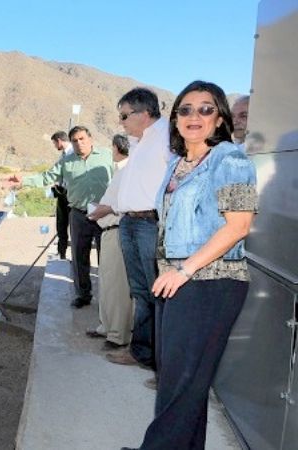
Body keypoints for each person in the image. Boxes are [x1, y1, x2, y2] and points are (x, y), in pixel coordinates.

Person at [122, 80, 257, 450]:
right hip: (177, 281)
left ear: (219, 119)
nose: (193, 116)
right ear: (175, 119)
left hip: (210, 281)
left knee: (181, 384)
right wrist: (174, 272)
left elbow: (239, 225)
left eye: (205, 108)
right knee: (180, 382)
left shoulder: (230, 158)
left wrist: (184, 270)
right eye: (185, 109)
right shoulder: (177, 164)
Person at [106, 87, 171, 371]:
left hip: (150, 223)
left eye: (124, 115)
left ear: (144, 113)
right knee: (140, 291)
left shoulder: (168, 136)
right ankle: (142, 352)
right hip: (130, 222)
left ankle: (162, 362)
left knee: (157, 293)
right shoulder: (138, 141)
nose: (121, 122)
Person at [11, 126, 113, 308]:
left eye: (82, 139)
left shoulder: (107, 155)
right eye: (75, 141)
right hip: (79, 215)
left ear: (90, 139)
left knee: (106, 259)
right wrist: (24, 181)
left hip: (105, 215)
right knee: (79, 257)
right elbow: (46, 177)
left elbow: (122, 175)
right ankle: (83, 295)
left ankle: (108, 299)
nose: (79, 143)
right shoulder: (66, 162)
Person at [86, 134, 133, 350]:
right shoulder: (121, 171)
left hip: (117, 230)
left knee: (117, 286)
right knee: (106, 283)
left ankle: (117, 335)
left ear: (116, 148)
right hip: (108, 230)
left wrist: (99, 211)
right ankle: (106, 326)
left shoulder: (127, 171)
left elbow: (120, 205)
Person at [50, 131, 73, 259]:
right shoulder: (62, 156)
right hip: (62, 195)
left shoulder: (72, 154)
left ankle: (76, 257)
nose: (55, 146)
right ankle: (61, 253)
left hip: (72, 196)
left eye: (54, 143)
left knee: (74, 228)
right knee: (61, 225)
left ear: (59, 140)